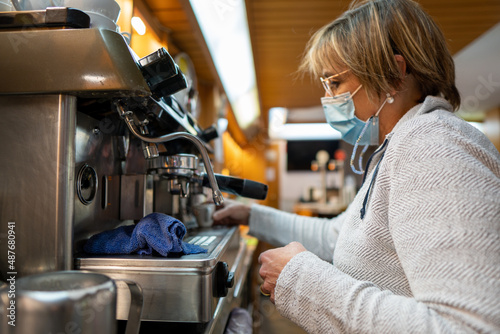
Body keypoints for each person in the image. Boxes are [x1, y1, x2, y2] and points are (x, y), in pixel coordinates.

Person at [213, 0, 500, 333]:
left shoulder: (432, 145)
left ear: (393, 74)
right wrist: (251, 216)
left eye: (334, 83)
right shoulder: (396, 145)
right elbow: (340, 237)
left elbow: (470, 326)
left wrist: (300, 280)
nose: (328, 100)